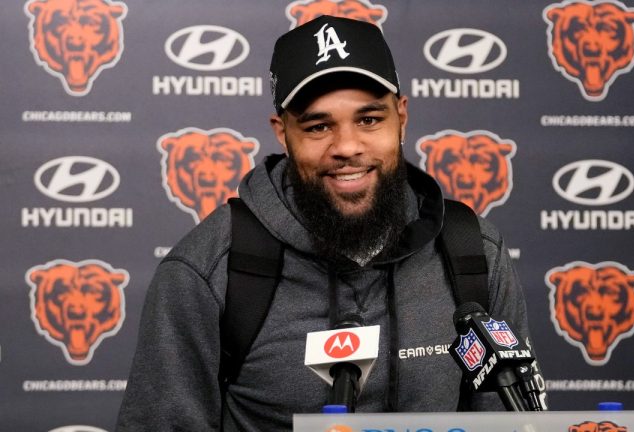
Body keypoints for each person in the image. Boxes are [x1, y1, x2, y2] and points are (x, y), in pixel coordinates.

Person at [117, 15, 543, 431]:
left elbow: (511, 422)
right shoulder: (207, 271)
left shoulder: (473, 252)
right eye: (318, 126)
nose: (347, 147)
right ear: (283, 133)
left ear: (402, 118)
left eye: (369, 119)